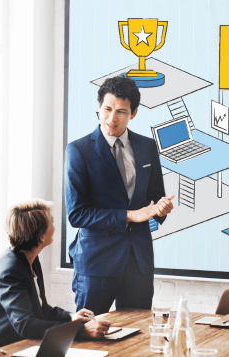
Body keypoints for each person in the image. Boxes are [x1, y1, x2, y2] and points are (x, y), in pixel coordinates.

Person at [65, 76, 174, 315]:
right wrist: (129, 216)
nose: (112, 118)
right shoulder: (78, 150)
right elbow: (77, 214)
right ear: (98, 107)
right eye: (107, 109)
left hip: (138, 262)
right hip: (96, 263)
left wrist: (161, 209)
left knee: (138, 340)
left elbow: (155, 198)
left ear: (133, 113)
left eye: (121, 112)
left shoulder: (147, 147)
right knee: (87, 338)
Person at [0, 199, 111, 347]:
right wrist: (81, 330)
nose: (55, 226)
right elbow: (25, 325)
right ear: (41, 237)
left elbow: (42, 308)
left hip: (29, 342)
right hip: (9, 349)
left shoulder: (29, 258)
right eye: (52, 221)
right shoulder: (9, 271)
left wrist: (71, 317)